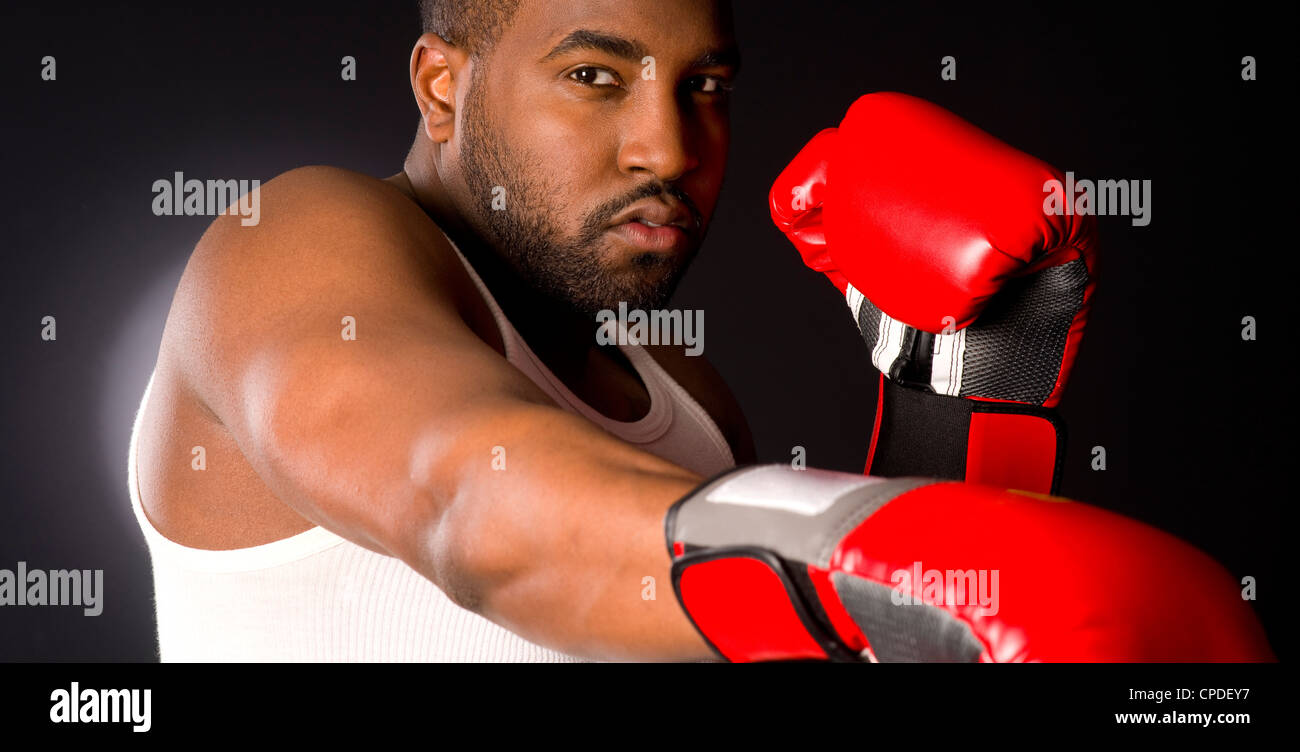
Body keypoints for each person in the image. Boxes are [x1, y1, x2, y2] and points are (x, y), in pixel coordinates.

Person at [127, 0, 1271, 662]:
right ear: (442, 87)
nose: (667, 150)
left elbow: (873, 630)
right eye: (593, 74)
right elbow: (469, 505)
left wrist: (955, 398)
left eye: (704, 85)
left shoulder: (678, 396)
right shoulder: (294, 238)